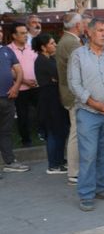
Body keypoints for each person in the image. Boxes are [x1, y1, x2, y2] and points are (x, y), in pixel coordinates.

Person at [68, 18, 104, 211]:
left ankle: (101, 188)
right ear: (89, 33)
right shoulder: (78, 55)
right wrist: (95, 104)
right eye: (100, 30)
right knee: (89, 155)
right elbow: (74, 84)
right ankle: (86, 194)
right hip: (89, 113)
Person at [32, 34, 70, 174]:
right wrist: (56, 78)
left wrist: (57, 79)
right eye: (52, 43)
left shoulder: (51, 59)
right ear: (43, 47)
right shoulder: (41, 61)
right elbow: (60, 74)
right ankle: (53, 164)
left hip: (56, 98)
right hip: (48, 100)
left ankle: (59, 160)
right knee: (53, 132)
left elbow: (59, 76)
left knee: (61, 130)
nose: (55, 45)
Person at [57, 12, 85, 184]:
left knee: (77, 131)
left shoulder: (67, 40)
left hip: (71, 93)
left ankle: (75, 169)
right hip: (74, 95)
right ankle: (74, 171)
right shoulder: (71, 42)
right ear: (76, 25)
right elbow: (82, 67)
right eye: (82, 23)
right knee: (76, 132)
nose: (84, 25)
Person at [8, 23, 39, 148]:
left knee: (42, 111)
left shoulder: (31, 48)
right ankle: (26, 140)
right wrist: (24, 81)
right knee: (23, 115)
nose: (25, 35)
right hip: (20, 89)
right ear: (14, 35)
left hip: (36, 87)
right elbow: (8, 71)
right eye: (22, 33)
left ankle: (43, 133)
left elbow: (38, 65)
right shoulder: (8, 50)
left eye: (26, 32)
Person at [0, 41, 27, 175]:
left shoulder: (7, 50)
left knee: (6, 131)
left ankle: (9, 162)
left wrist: (16, 86)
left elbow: (18, 70)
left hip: (8, 98)